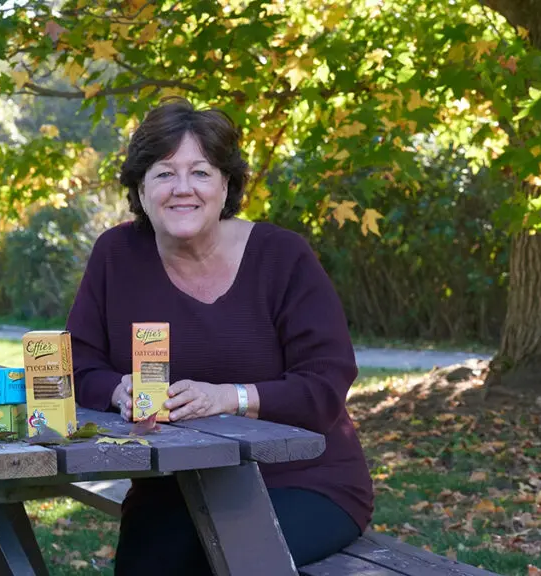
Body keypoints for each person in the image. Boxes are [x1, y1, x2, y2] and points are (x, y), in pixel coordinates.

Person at [67, 98, 374, 574]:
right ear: (141, 188)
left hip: (302, 480)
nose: (182, 189)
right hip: (173, 482)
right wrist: (115, 389)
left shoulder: (282, 257)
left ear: (226, 184)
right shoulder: (116, 254)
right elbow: (76, 365)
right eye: (164, 173)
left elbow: (324, 386)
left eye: (201, 172)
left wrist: (228, 397)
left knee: (226, 564)